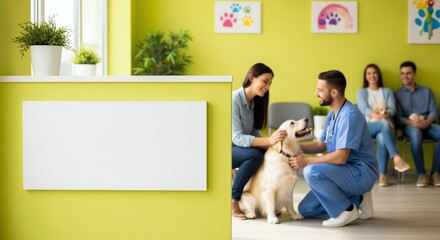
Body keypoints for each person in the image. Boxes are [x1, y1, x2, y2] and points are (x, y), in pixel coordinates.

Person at [289, 70, 378, 227]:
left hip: (360, 172)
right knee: (305, 209)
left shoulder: (349, 116)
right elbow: (321, 144)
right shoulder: (332, 115)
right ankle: (359, 198)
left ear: (334, 92)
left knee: (311, 171)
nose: (316, 93)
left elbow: (341, 157)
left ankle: (346, 210)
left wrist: (307, 161)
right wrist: (294, 148)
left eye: (320, 90)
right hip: (342, 171)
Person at [232, 63, 288, 219]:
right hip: (225, 149)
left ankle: (264, 202)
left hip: (239, 149)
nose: (267, 86)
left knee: (265, 152)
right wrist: (267, 140)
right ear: (252, 78)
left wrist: (270, 144)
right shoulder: (234, 99)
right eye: (265, 81)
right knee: (254, 155)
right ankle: (234, 199)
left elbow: (253, 131)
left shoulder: (254, 102)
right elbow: (236, 137)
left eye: (270, 83)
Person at [356, 63, 411, 187]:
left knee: (382, 137)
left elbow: (392, 108)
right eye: (369, 73)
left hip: (385, 127)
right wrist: (379, 117)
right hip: (368, 127)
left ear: (379, 75)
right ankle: (396, 158)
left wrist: (386, 114)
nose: (372, 76)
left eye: (374, 73)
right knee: (383, 123)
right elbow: (363, 109)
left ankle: (383, 175)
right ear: (365, 76)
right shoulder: (361, 92)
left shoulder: (387, 91)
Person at [394, 61, 440, 187]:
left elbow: (434, 112)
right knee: (416, 135)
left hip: (428, 124)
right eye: (402, 73)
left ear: (414, 74)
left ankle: (435, 173)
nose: (405, 76)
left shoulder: (427, 91)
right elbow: (398, 118)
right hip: (410, 126)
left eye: (408, 73)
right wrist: (411, 122)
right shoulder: (397, 94)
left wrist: (427, 122)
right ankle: (421, 174)